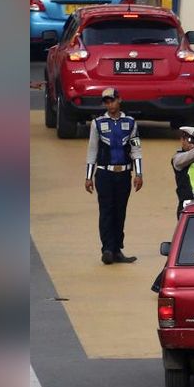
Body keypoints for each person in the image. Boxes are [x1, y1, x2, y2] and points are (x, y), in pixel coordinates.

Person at [85, 87, 143, 265]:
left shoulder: (131, 123)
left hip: (124, 174)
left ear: (120, 100)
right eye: (106, 102)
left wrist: (139, 173)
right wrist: (88, 176)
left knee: (120, 212)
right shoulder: (98, 124)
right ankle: (107, 249)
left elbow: (136, 149)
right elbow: (92, 150)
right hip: (104, 174)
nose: (110, 104)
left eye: (112, 100)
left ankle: (117, 249)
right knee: (106, 212)